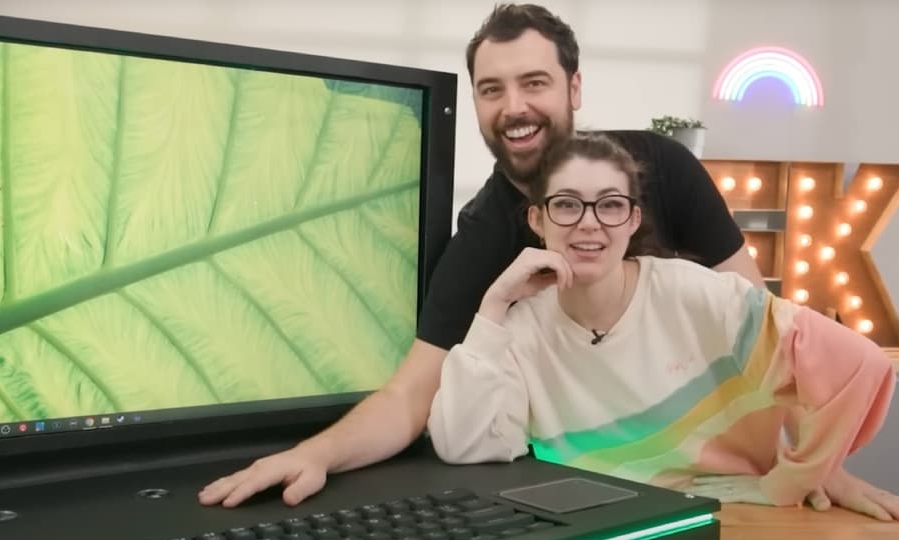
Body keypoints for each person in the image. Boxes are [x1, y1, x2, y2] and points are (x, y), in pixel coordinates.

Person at [198, 3, 765, 509]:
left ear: (574, 89)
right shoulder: (481, 240)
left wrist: (806, 455)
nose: (513, 107)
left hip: (722, 476)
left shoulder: (663, 167)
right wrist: (315, 454)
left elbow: (763, 333)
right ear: (536, 225)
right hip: (596, 488)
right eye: (491, 89)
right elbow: (411, 396)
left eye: (534, 82)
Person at [427, 132, 899, 522]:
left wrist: (795, 478)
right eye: (567, 204)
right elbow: (464, 445)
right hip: (603, 535)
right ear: (538, 218)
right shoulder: (520, 329)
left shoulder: (697, 295)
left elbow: (860, 367)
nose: (589, 223)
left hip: (730, 524)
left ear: (633, 218)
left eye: (611, 204)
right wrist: (493, 305)